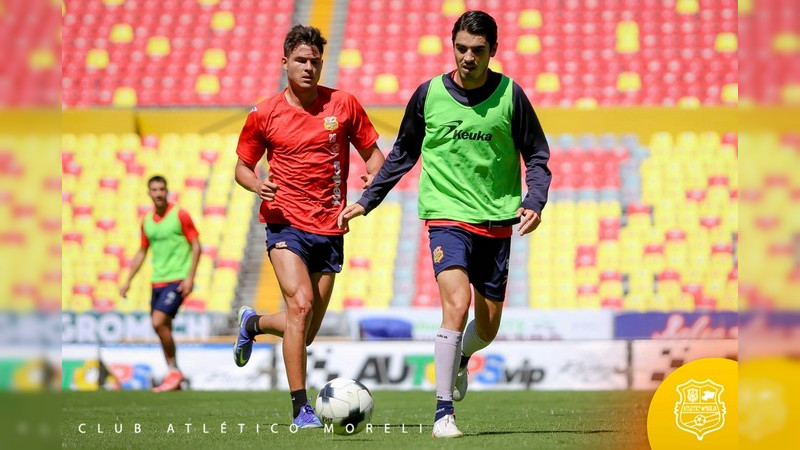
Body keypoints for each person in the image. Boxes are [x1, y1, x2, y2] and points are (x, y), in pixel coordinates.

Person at [338, 10, 551, 438]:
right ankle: (443, 413)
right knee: (455, 305)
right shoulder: (428, 94)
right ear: (452, 46)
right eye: (461, 48)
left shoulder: (512, 96)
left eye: (477, 50)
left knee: (488, 328)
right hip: (446, 216)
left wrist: (534, 200)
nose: (468, 57)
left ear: (493, 50)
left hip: (495, 221)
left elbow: (538, 156)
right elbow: (402, 154)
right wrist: (368, 200)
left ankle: (463, 356)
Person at [231, 24, 385, 428]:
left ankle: (254, 323)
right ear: (284, 63)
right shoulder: (263, 113)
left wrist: (370, 189)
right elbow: (242, 168)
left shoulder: (344, 105)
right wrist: (257, 184)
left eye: (315, 61)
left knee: (306, 328)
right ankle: (301, 408)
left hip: (330, 228)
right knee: (299, 306)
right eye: (301, 59)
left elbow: (375, 159)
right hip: (285, 225)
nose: (309, 67)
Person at [120, 175, 201, 392]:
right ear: (149, 193)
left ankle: (174, 371)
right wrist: (128, 280)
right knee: (162, 327)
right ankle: (173, 375)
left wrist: (190, 277)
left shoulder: (179, 215)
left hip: (177, 279)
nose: (158, 193)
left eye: (162, 189)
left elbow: (196, 245)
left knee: (158, 322)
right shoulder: (146, 221)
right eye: (154, 189)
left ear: (167, 191)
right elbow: (142, 251)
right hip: (157, 282)